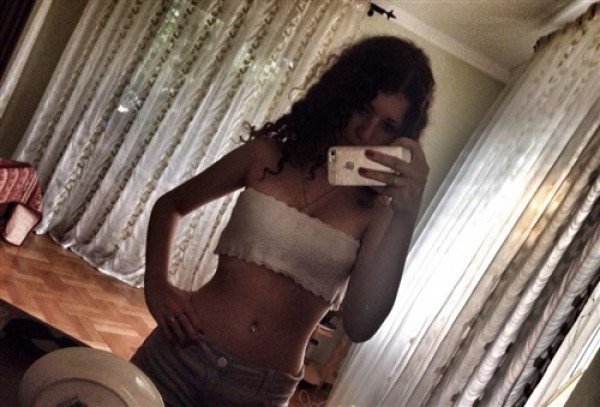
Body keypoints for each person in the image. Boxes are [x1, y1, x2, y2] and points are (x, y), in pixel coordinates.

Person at [131, 35, 435, 406]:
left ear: (401, 138)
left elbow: (360, 325)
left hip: (259, 391)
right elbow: (171, 205)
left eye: (387, 126)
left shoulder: (380, 210)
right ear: (343, 94)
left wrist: (406, 213)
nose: (367, 132)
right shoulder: (267, 155)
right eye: (362, 109)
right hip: (180, 352)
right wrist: (156, 285)